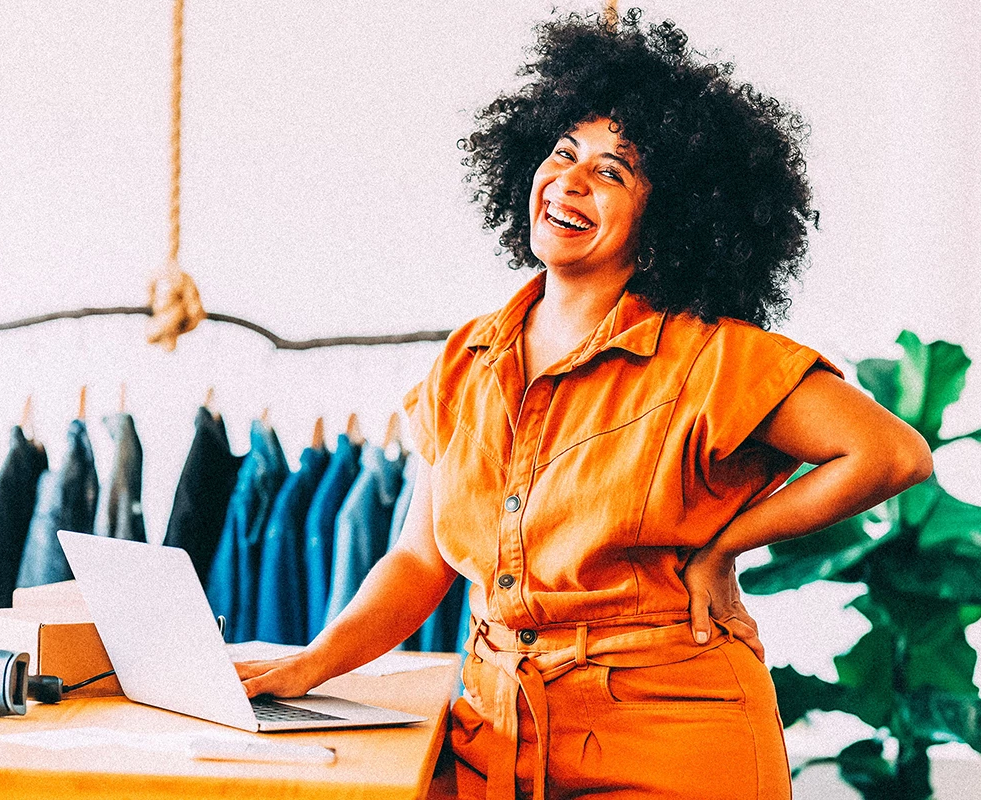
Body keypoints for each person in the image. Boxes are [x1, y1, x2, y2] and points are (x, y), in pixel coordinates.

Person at [235, 10, 932, 799]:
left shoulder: (712, 357)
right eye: (563, 153)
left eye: (612, 172)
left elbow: (890, 453)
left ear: (668, 218)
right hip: (498, 731)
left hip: (672, 740)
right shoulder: (467, 358)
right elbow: (419, 560)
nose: (569, 180)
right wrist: (308, 664)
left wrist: (725, 543)